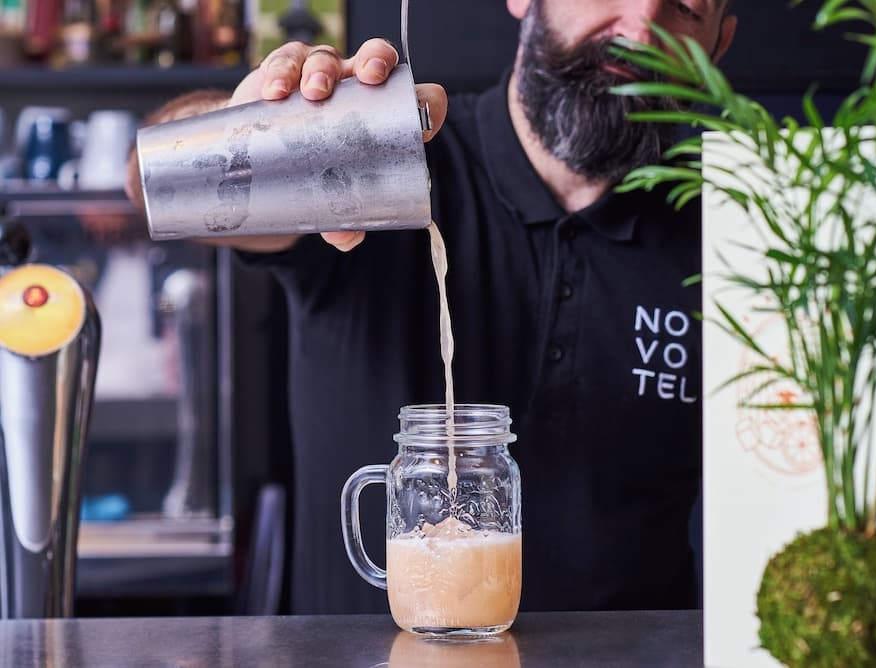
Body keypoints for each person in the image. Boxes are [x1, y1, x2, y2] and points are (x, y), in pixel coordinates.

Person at [127, 0, 738, 615]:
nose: (641, 26)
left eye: (687, 6)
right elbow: (147, 189)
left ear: (719, 44)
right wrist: (252, 135)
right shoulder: (373, 160)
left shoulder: (741, 230)